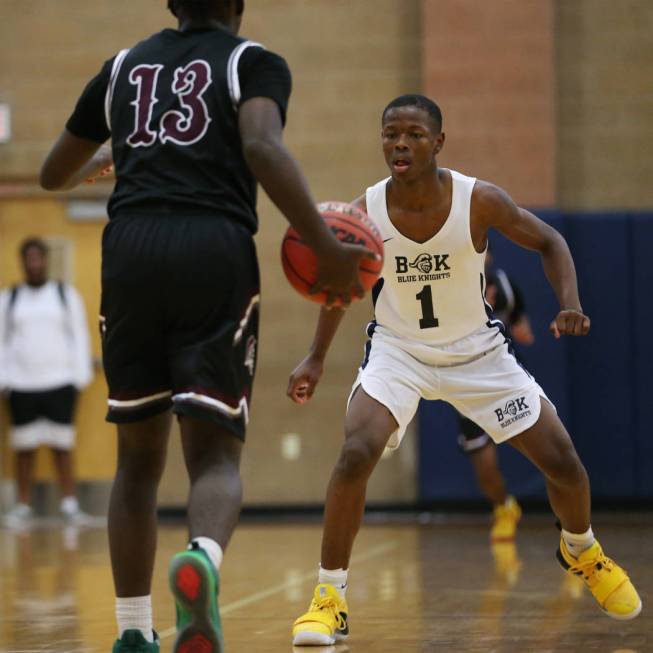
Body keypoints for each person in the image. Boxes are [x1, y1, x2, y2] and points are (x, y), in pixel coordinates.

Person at [40, 1, 372, 652]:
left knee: (136, 460)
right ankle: (201, 558)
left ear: (170, 2)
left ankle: (134, 631)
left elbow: (54, 173)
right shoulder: (252, 62)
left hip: (129, 250)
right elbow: (259, 144)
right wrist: (325, 248)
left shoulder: (121, 68)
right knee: (214, 454)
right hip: (211, 246)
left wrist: (112, 154)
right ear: (238, 5)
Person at [287, 94, 641, 646]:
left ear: (439, 142)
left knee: (563, 462)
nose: (400, 143)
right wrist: (315, 357)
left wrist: (569, 301)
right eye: (390, 134)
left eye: (413, 134)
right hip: (398, 351)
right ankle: (329, 598)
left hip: (477, 354)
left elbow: (550, 239)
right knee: (356, 451)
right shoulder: (365, 212)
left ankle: (582, 551)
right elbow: (340, 287)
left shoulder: (479, 201)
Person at [0, 237, 93, 527]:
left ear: (45, 261)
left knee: (62, 446)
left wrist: (80, 376)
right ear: (23, 262)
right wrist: (4, 380)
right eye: (28, 259)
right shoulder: (9, 298)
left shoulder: (65, 295)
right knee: (24, 447)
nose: (34, 264)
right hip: (21, 384)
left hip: (60, 382)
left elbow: (79, 335)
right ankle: (23, 505)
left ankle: (69, 504)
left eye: (38, 258)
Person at [456, 248, 536, 542]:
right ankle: (504, 507)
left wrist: (523, 330)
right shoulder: (451, 287)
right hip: (464, 384)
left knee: (547, 452)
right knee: (486, 469)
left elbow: (520, 320)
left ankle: (572, 523)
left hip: (503, 380)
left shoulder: (505, 285)